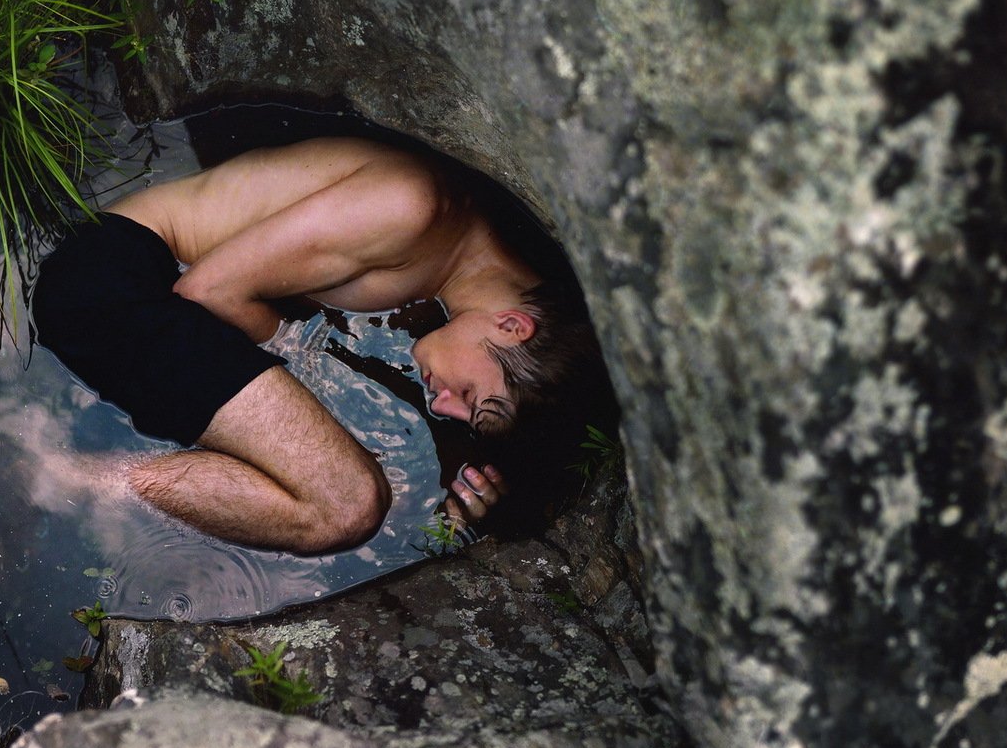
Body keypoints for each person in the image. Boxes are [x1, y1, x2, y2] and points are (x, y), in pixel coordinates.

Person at [31, 135, 595, 556]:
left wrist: (461, 501)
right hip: (112, 282)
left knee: (337, 480)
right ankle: (68, 478)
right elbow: (208, 288)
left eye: (464, 416)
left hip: (152, 297)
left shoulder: (455, 287)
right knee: (346, 507)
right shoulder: (408, 208)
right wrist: (303, 360)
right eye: (468, 394)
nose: (442, 404)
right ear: (515, 326)